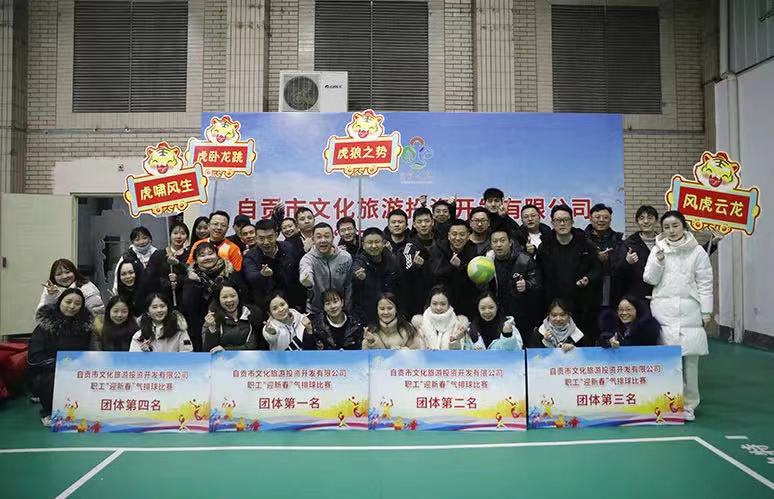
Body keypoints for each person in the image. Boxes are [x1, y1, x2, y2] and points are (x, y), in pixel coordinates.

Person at [644, 210, 713, 421]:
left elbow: (705, 282)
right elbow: (649, 279)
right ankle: (669, 404)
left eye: (675, 226)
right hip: (663, 312)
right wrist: (658, 261)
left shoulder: (697, 252)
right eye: (666, 227)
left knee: (690, 363)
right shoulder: (658, 249)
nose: (671, 231)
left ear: (684, 226)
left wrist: (706, 311)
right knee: (668, 361)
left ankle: (689, 405)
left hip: (689, 311)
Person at [28, 289, 93, 426]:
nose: (72, 306)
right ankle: (49, 412)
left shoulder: (86, 328)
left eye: (77, 303)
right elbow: (35, 356)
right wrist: (60, 365)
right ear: (59, 302)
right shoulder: (44, 327)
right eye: (68, 302)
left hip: (78, 369)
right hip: (50, 370)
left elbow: (90, 351)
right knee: (49, 379)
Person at [536, 204, 600, 343]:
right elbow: (539, 273)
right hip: (554, 305)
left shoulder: (585, 244)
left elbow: (597, 269)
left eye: (566, 220)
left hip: (581, 303)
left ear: (572, 221)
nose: (562, 223)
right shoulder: (545, 246)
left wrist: (588, 278)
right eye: (558, 220)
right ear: (552, 223)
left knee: (581, 342)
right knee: (553, 343)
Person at [181, 242, 246, 351]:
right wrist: (195, 283)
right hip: (200, 325)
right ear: (196, 260)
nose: (207, 257)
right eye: (202, 255)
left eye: (210, 253)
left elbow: (242, 297)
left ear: (217, 254)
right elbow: (188, 305)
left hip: (229, 325)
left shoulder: (230, 272)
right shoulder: (192, 277)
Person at [488, 229, 542, 335]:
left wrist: (527, 285)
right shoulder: (487, 261)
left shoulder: (524, 259)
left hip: (522, 314)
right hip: (497, 313)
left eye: (502, 240)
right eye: (495, 241)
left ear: (510, 242)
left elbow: (538, 282)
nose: (499, 245)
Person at [243, 219, 305, 311]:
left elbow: (298, 270)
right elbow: (251, 276)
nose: (266, 242)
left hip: (293, 301)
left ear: (276, 235)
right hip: (266, 305)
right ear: (256, 238)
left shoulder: (289, 247)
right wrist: (262, 274)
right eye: (261, 238)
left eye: (270, 237)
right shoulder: (250, 256)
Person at [429, 219, 479, 318]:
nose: (458, 238)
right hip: (443, 300)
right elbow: (436, 273)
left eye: (462, 234)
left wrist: (460, 267)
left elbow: (473, 278)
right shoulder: (438, 249)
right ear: (448, 236)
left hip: (466, 300)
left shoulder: (473, 250)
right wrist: (452, 267)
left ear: (468, 236)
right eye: (454, 234)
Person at [299, 223, 353, 315]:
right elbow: (306, 270)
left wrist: (347, 307)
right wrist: (307, 280)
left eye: (327, 236)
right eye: (319, 237)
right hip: (315, 310)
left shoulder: (345, 257)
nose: (323, 240)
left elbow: (348, 285)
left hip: (340, 308)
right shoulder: (307, 259)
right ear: (313, 240)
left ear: (333, 238)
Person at [352, 228, 400, 323]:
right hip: (367, 315)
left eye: (377, 242)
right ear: (363, 245)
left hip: (390, 313)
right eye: (370, 242)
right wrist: (359, 279)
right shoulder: (359, 262)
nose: (374, 246)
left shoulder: (393, 259)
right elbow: (354, 279)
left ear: (384, 243)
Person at [613, 205, 658, 303]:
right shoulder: (628, 244)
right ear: (637, 222)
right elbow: (617, 271)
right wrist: (627, 262)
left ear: (656, 221)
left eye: (650, 218)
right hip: (637, 298)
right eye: (642, 218)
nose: (646, 221)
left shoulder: (664, 242)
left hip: (661, 295)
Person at [202, 285, 265, 352]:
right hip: (222, 358)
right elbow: (209, 349)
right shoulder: (214, 317)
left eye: (233, 296)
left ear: (238, 296)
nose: (229, 300)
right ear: (219, 299)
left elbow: (253, 346)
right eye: (224, 297)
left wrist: (226, 349)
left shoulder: (251, 314)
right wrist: (212, 328)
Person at [412, 285, 477, 350]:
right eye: (434, 304)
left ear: (449, 304)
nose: (438, 308)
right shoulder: (420, 324)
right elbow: (416, 350)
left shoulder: (459, 324)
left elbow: (460, 351)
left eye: (443, 304)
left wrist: (455, 340)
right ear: (430, 303)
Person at [140, 221, 190, 304]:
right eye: (175, 233)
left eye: (183, 233)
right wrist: (166, 283)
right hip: (162, 300)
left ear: (187, 237)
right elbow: (149, 278)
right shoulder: (158, 254)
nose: (179, 236)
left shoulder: (189, 255)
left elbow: (190, 274)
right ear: (170, 235)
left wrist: (178, 280)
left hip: (184, 299)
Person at [585, 203, 623, 309]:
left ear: (610, 220)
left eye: (606, 218)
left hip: (612, 288)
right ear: (590, 219)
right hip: (588, 289)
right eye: (597, 217)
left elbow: (621, 265)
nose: (601, 220)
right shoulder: (582, 239)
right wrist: (595, 259)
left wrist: (608, 259)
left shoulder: (618, 240)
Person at [37, 258, 104, 318]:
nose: (64, 276)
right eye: (59, 274)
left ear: (74, 272)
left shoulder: (87, 288)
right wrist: (51, 296)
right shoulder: (50, 289)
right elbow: (42, 315)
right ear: (53, 277)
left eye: (67, 272)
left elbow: (97, 314)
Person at [111, 226, 160, 294]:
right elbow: (118, 277)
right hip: (133, 294)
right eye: (137, 240)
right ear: (132, 242)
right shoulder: (127, 257)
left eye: (144, 238)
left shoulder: (158, 255)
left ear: (150, 239)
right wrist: (116, 293)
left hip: (155, 294)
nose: (141, 242)